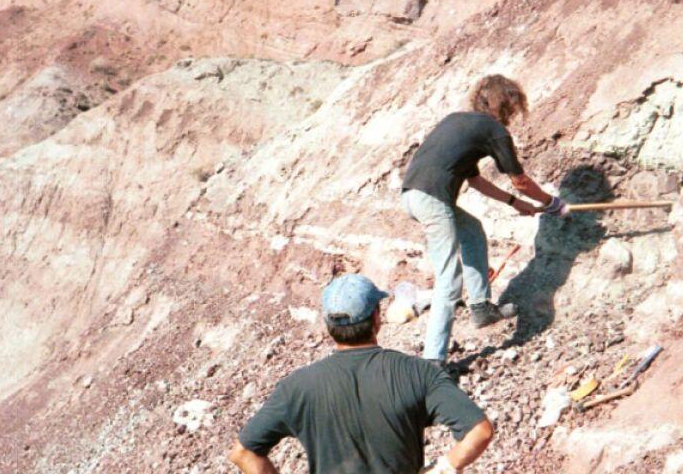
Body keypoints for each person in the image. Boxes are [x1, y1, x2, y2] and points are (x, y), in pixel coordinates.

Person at [228, 274, 494, 474]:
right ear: (377, 318)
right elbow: (480, 431)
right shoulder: (418, 372)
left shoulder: (296, 387)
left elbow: (244, 453)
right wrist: (442, 469)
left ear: (328, 325)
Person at [401, 74, 567, 364]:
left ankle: (480, 307)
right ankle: (433, 362)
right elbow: (521, 181)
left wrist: (516, 204)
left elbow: (475, 182)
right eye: (513, 108)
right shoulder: (493, 130)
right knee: (449, 279)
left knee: (473, 231)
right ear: (507, 104)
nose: (514, 115)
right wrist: (551, 203)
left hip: (412, 196)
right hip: (433, 199)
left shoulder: (457, 122)